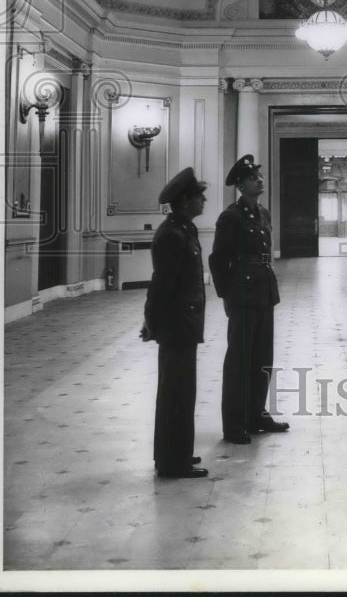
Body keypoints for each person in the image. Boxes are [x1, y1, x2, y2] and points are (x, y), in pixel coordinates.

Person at [209, 154, 289, 443]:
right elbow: (217, 261)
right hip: (242, 297)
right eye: (253, 177)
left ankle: (256, 415)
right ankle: (233, 425)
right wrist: (227, 298)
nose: (260, 179)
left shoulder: (263, 214)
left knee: (262, 358)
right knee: (239, 362)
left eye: (260, 175)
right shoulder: (231, 217)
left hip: (264, 293)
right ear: (241, 185)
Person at [141, 167, 209, 479]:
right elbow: (161, 286)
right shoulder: (171, 235)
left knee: (182, 392)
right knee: (175, 394)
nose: (203, 200)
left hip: (184, 324)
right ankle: (171, 462)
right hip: (176, 326)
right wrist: (151, 322)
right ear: (184, 202)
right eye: (199, 196)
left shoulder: (184, 229)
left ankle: (177, 453)